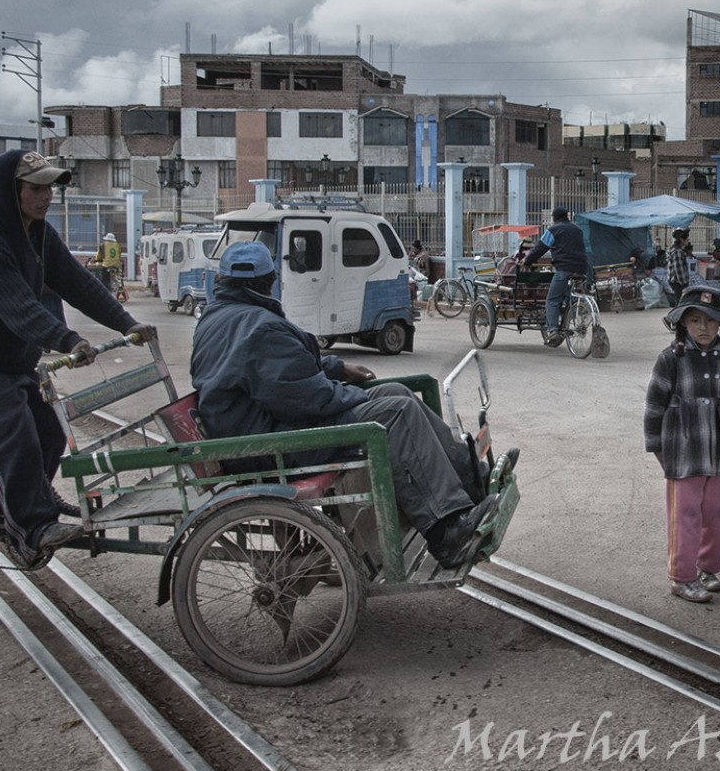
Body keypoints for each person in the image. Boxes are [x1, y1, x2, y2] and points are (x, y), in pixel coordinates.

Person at [190, 242, 507, 569]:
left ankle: (472, 486)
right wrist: (351, 394)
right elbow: (303, 397)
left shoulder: (223, 316)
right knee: (396, 412)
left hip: (264, 427)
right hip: (271, 443)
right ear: (266, 282)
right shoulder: (258, 325)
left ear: (224, 282)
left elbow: (284, 368)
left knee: (395, 392)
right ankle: (446, 533)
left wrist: (336, 369)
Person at [0, 149, 156, 569]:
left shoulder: (38, 234)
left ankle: (28, 502)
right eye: (35, 188)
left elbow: (78, 284)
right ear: (9, 191)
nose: (46, 196)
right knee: (14, 439)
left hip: (14, 359)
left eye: (49, 187)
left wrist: (126, 322)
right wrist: (67, 338)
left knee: (50, 435)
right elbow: (18, 307)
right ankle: (31, 531)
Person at [643, 287, 720, 603]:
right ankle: (682, 577)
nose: (703, 328)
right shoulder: (671, 359)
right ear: (682, 323)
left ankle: (708, 570)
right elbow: (654, 406)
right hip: (682, 454)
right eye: (695, 320)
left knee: (715, 513)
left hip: (715, 454)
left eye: (711, 321)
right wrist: (657, 448)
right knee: (685, 514)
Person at [523, 206, 589, 347]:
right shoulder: (577, 229)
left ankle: (553, 330)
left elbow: (540, 248)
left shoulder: (553, 230)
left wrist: (527, 261)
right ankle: (577, 310)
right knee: (569, 295)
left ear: (554, 218)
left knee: (552, 300)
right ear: (567, 216)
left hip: (564, 269)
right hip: (582, 269)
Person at [666, 230, 690, 304]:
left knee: (680, 302)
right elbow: (678, 269)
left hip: (675, 281)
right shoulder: (677, 252)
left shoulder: (674, 250)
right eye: (687, 239)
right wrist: (684, 283)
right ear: (682, 240)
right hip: (678, 282)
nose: (688, 241)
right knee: (681, 303)